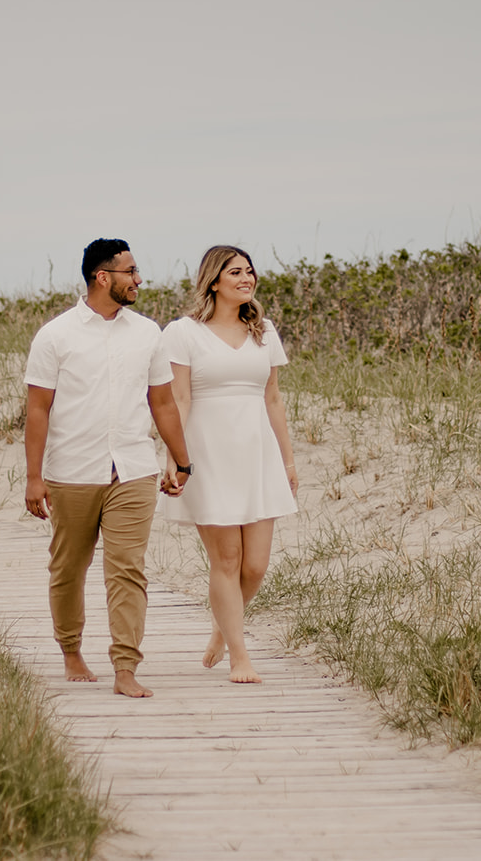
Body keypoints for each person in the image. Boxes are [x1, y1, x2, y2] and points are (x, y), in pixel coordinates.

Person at [24, 238, 194, 698]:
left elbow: (162, 401)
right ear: (103, 277)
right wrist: (34, 477)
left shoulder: (147, 333)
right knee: (68, 568)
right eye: (131, 272)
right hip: (72, 471)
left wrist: (182, 461)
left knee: (127, 570)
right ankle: (71, 650)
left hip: (133, 470)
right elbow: (38, 409)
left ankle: (125, 666)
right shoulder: (55, 335)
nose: (139, 280)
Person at [159, 245, 298, 684]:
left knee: (255, 565)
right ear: (214, 280)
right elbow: (177, 400)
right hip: (208, 453)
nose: (246, 278)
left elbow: (272, 398)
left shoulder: (264, 330)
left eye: (250, 271)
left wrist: (288, 461)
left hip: (258, 454)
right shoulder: (183, 332)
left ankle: (222, 627)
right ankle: (240, 656)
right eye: (235, 272)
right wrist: (174, 459)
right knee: (227, 558)